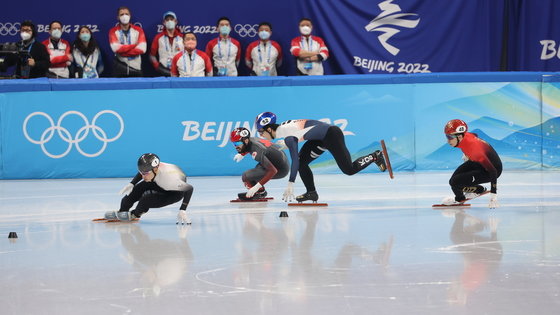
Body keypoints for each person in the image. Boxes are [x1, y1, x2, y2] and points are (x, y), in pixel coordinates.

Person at [254, 112, 387, 203]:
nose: (261, 135)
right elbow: (305, 131)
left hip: (331, 135)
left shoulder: (288, 135)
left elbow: (293, 159)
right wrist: (291, 142)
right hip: (319, 139)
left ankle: (375, 156)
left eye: (261, 132)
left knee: (349, 169)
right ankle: (311, 192)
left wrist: (291, 183)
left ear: (270, 129)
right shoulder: (284, 130)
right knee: (302, 163)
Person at [106, 153, 194, 224]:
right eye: (142, 173)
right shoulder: (151, 169)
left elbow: (189, 189)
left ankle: (134, 215)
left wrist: (183, 209)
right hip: (158, 181)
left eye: (145, 173)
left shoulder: (170, 179)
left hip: (174, 192)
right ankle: (122, 211)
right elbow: (143, 172)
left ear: (155, 169)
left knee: (146, 199)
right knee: (134, 191)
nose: (143, 176)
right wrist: (132, 183)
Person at [442, 119, 501, 208]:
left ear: (460, 137)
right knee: (452, 180)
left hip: (491, 170)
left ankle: (479, 190)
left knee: (455, 182)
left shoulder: (476, 151)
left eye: (450, 137)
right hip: (478, 162)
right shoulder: (464, 136)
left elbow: (493, 171)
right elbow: (474, 135)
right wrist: (466, 153)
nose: (448, 141)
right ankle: (460, 198)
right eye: (447, 136)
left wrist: (493, 195)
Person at [230, 127, 289, 200]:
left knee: (246, 176)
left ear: (245, 140)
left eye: (237, 143)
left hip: (280, 169)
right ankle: (261, 191)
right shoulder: (251, 140)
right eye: (234, 144)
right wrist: (242, 154)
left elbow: (273, 171)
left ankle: (258, 192)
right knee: (256, 171)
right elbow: (248, 147)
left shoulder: (256, 151)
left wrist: (256, 187)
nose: (236, 146)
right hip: (278, 162)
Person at [109, 6, 147, 77]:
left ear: (130, 16)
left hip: (136, 68)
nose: (124, 16)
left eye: (126, 14)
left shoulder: (139, 30)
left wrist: (123, 52)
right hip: (120, 67)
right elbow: (116, 48)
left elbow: (142, 49)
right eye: (121, 14)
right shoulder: (113, 31)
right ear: (118, 17)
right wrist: (134, 45)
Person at [150, 11, 183, 76]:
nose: (169, 21)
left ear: (176, 22)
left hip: (179, 70)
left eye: (171, 19)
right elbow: (152, 55)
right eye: (167, 20)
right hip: (163, 70)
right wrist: (158, 67)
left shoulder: (182, 37)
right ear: (164, 23)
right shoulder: (158, 37)